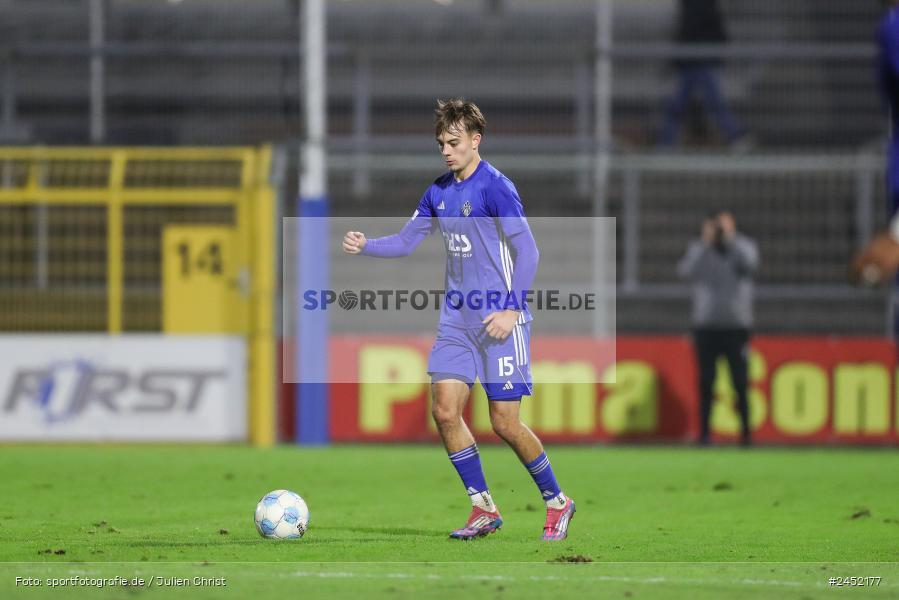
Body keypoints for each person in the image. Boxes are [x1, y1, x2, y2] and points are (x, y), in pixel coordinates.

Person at [342, 99, 575, 541]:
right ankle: (483, 508)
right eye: (441, 144)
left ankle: (557, 502)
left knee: (504, 422)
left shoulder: (496, 187)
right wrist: (367, 244)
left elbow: (529, 251)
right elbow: (407, 242)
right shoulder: (438, 192)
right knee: (445, 410)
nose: (447, 151)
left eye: (454, 142)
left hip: (500, 322)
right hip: (456, 322)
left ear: (475, 140)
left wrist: (511, 308)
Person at [677, 211, 759, 445]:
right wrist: (706, 243)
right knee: (705, 383)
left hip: (736, 327)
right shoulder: (701, 248)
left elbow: (751, 264)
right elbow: (685, 270)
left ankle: (746, 434)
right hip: (706, 327)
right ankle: (704, 435)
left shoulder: (743, 246)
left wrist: (730, 239)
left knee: (740, 382)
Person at [659, 0, 748, 148]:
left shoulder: (701, 5)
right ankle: (735, 136)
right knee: (685, 104)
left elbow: (691, 31)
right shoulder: (698, 5)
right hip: (692, 60)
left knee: (707, 103)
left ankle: (735, 136)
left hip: (699, 60)